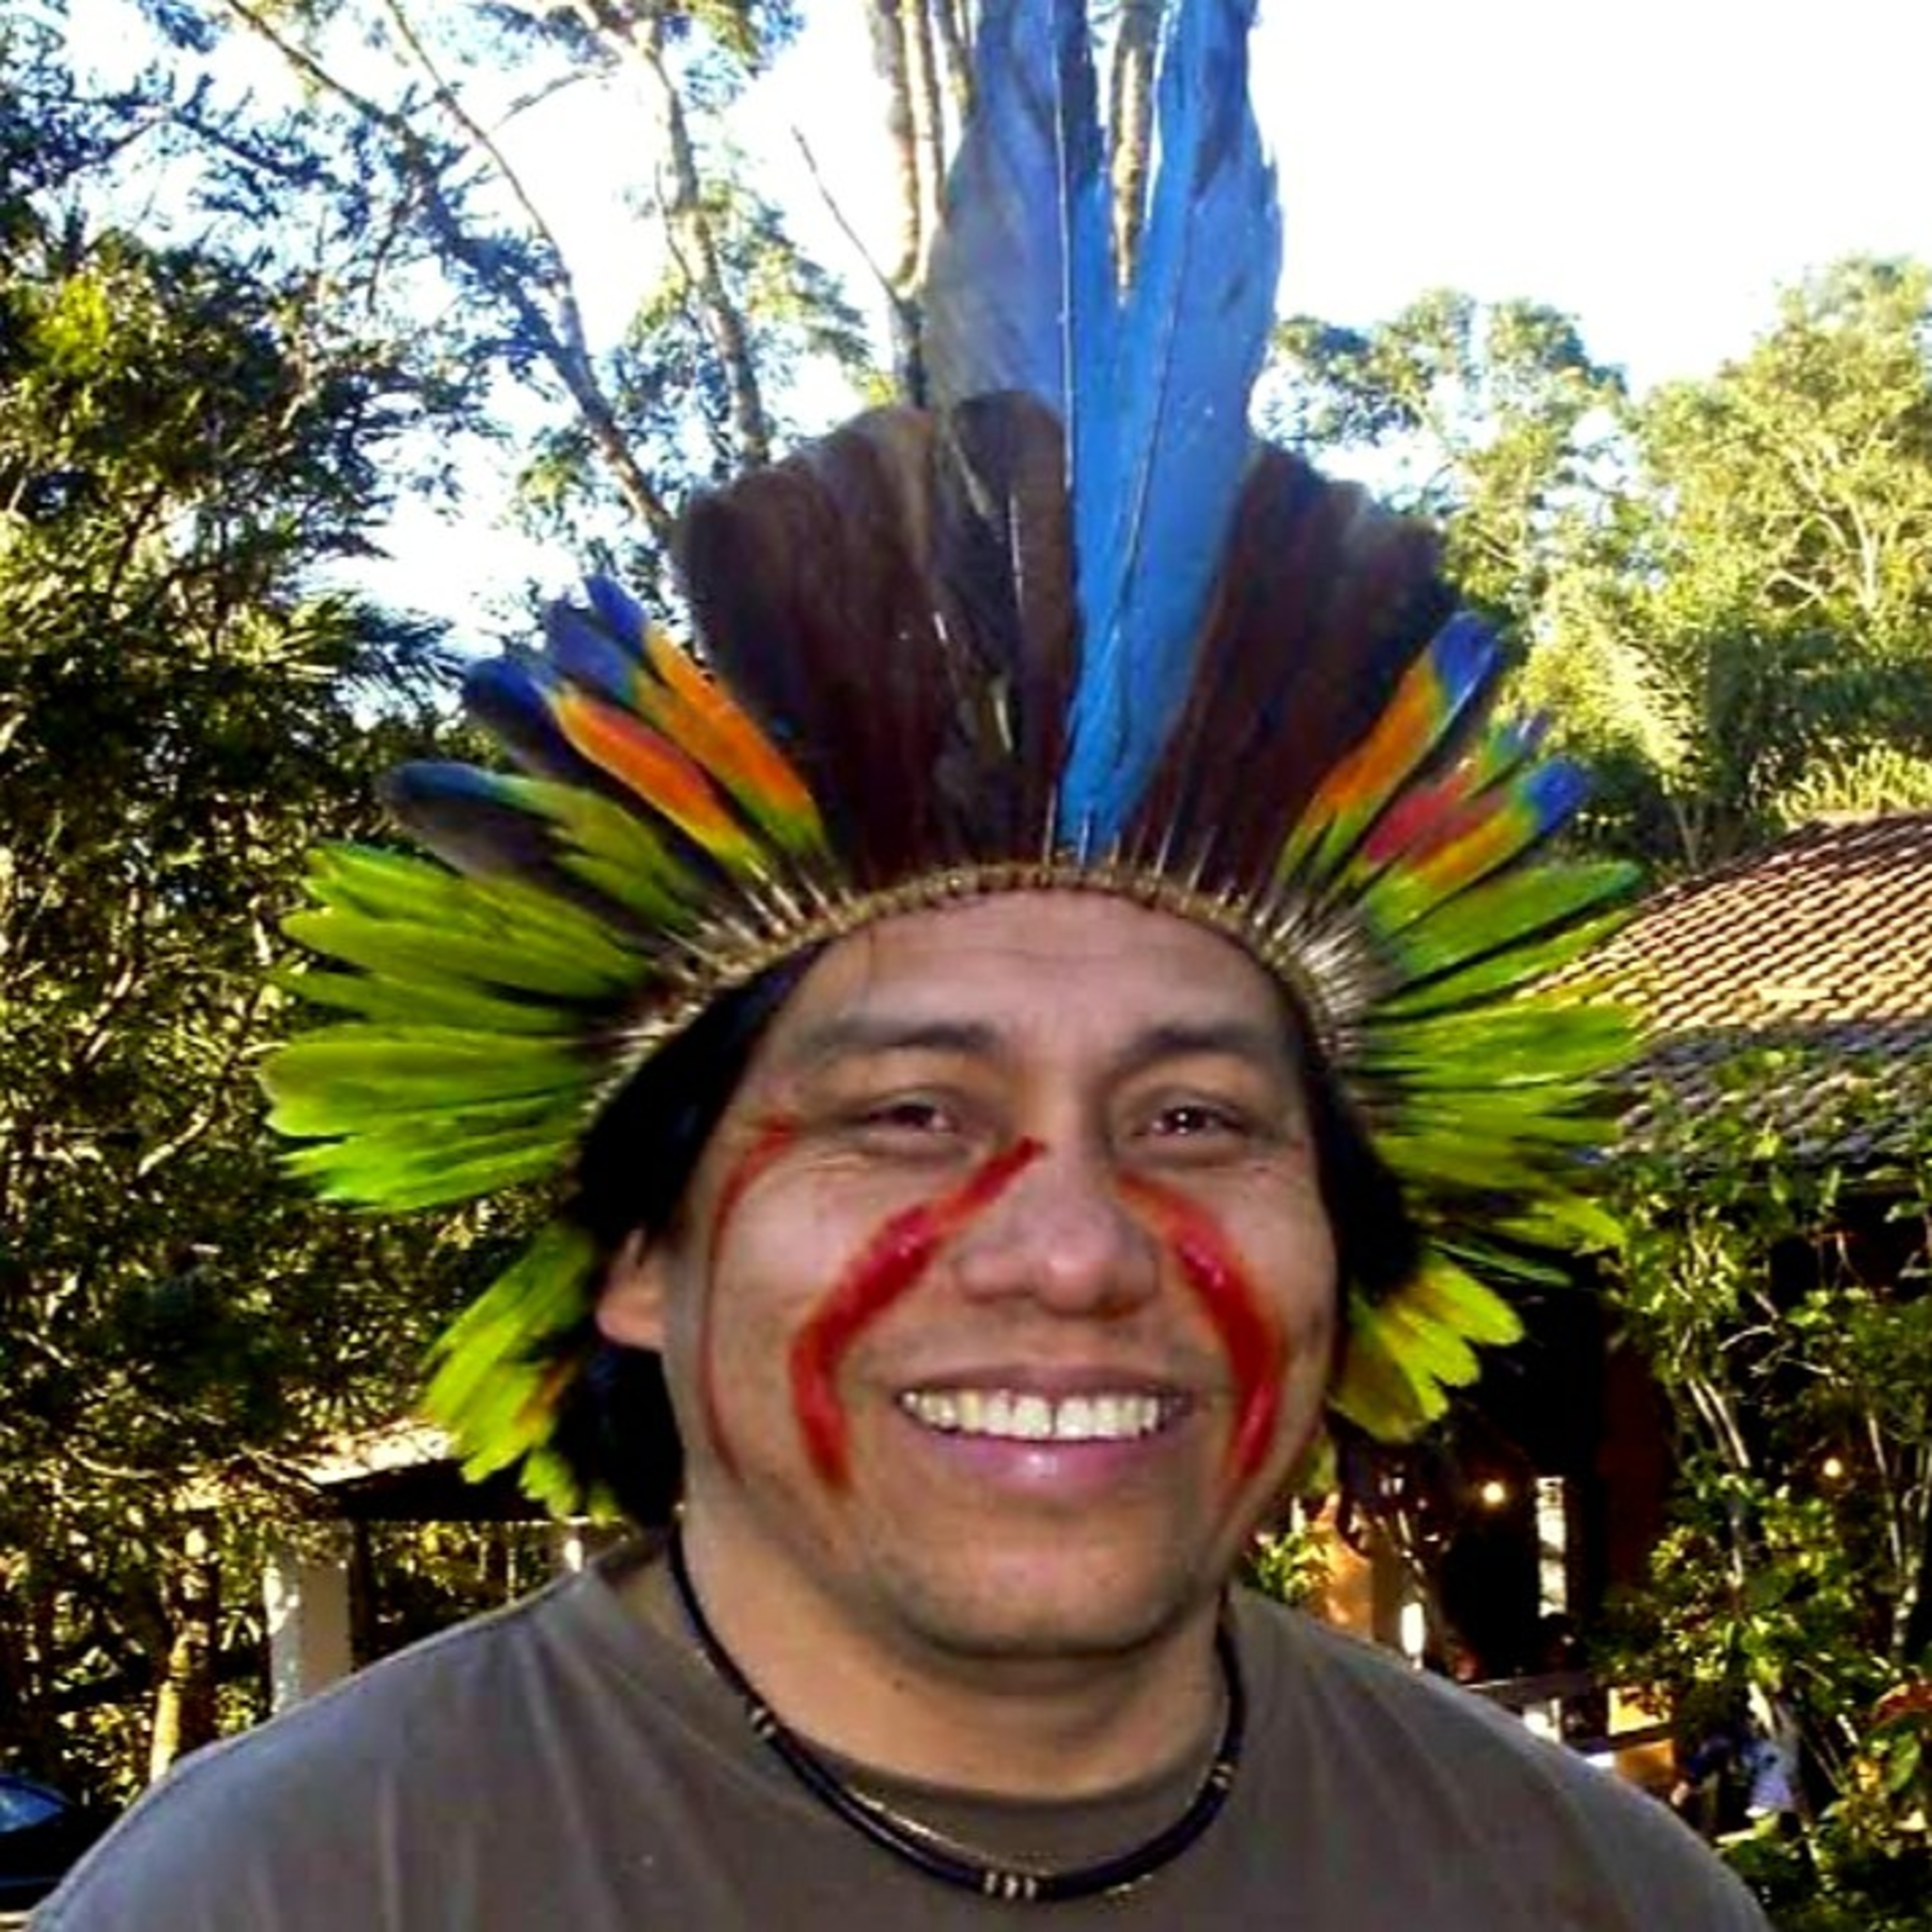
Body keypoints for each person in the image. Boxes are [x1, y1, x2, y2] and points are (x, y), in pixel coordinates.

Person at [43, 1, 1770, 1924]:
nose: (1072, 1251)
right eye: (909, 1112)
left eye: (1196, 1120)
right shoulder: (290, 1894)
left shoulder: (1604, 1898)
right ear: (641, 1256)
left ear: (1347, 1257)